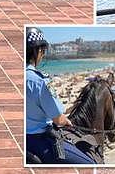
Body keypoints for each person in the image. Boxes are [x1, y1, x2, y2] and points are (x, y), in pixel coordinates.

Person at [25, 27, 95, 164]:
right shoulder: (40, 81)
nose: (43, 55)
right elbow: (58, 119)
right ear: (38, 51)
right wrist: (66, 121)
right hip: (38, 140)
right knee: (90, 164)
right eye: (42, 51)